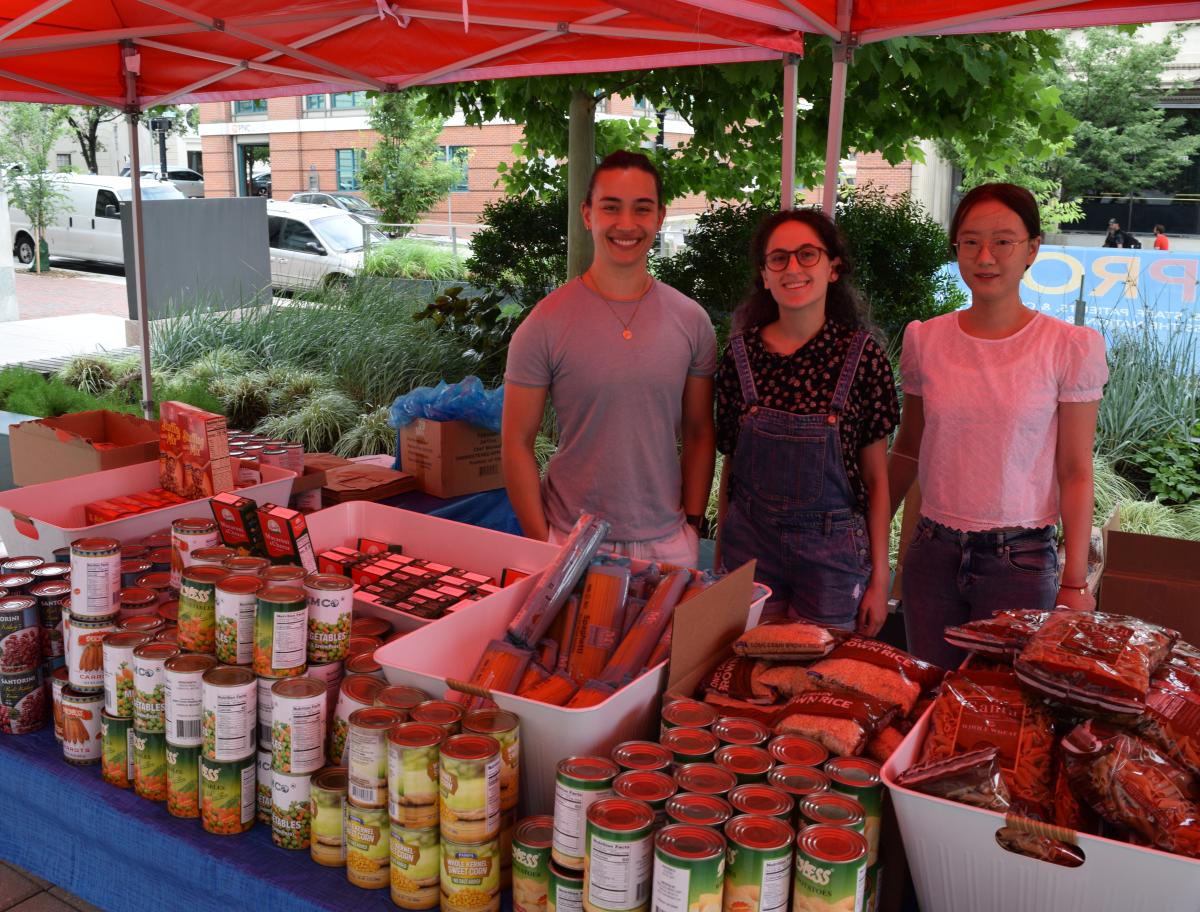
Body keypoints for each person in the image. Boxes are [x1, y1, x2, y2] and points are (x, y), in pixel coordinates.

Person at [887, 183, 1108, 667]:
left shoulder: (1066, 347)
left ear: (1032, 248)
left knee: (1003, 712)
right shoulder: (927, 340)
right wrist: (870, 531)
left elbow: (1074, 469)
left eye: (1003, 241)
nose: (985, 256)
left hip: (1021, 563)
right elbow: (907, 449)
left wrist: (1073, 581)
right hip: (932, 553)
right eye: (970, 241)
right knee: (931, 698)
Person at [502, 150, 717, 567]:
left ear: (659, 217)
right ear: (587, 214)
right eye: (611, 207)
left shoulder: (692, 321)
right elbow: (515, 443)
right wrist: (542, 543)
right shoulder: (545, 323)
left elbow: (698, 432)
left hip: (669, 543)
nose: (626, 224)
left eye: (642, 209)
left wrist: (692, 525)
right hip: (570, 539)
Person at [714, 209, 898, 635]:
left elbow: (876, 480)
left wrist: (880, 578)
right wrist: (722, 564)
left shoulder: (863, 358)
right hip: (750, 548)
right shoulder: (740, 357)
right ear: (764, 275)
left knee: (819, 685)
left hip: (833, 557)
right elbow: (730, 471)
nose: (792, 268)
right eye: (778, 258)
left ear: (833, 268)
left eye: (807, 255)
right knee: (748, 679)